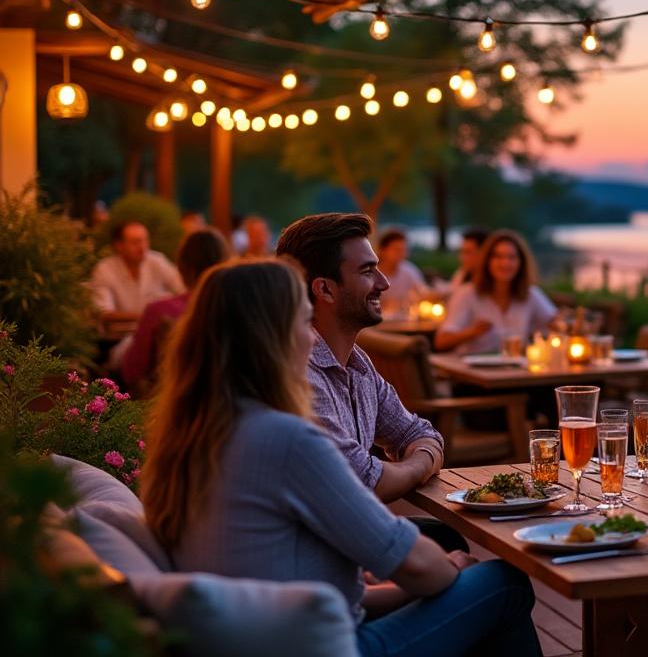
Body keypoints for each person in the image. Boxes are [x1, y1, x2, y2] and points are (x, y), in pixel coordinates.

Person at [140, 259, 541, 657]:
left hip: (276, 633)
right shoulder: (284, 438)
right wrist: (451, 568)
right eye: (301, 323)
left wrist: (411, 583)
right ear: (270, 338)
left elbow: (327, 598)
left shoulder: (194, 433)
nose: (311, 339)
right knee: (504, 582)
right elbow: (420, 568)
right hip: (329, 646)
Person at [275, 214, 464, 548]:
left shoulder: (358, 364)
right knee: (506, 583)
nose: (384, 282)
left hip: (347, 537)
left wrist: (408, 465)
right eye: (367, 271)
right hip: (316, 555)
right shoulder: (299, 374)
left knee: (446, 540)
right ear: (325, 289)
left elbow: (419, 433)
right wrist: (419, 466)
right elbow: (362, 481)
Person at [121, 228, 231, 391]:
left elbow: (132, 373)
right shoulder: (241, 310)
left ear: (181, 267)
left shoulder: (159, 311)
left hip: (171, 406)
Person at [434, 230, 556, 355]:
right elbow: (441, 341)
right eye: (498, 257)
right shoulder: (467, 294)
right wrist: (473, 332)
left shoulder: (530, 294)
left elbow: (556, 323)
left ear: (521, 263)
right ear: (487, 261)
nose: (505, 263)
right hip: (472, 369)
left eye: (512, 257)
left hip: (514, 370)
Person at [89, 220, 185, 324]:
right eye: (135, 242)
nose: (142, 247)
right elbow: (104, 314)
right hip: (118, 337)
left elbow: (183, 291)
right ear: (119, 246)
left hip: (155, 334)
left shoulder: (157, 261)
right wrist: (150, 316)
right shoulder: (104, 270)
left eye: (144, 241)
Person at [376, 228, 426, 315]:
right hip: (376, 323)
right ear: (382, 250)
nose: (402, 254)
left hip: (404, 322)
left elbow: (422, 293)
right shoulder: (372, 274)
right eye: (397, 250)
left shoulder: (410, 271)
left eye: (403, 250)